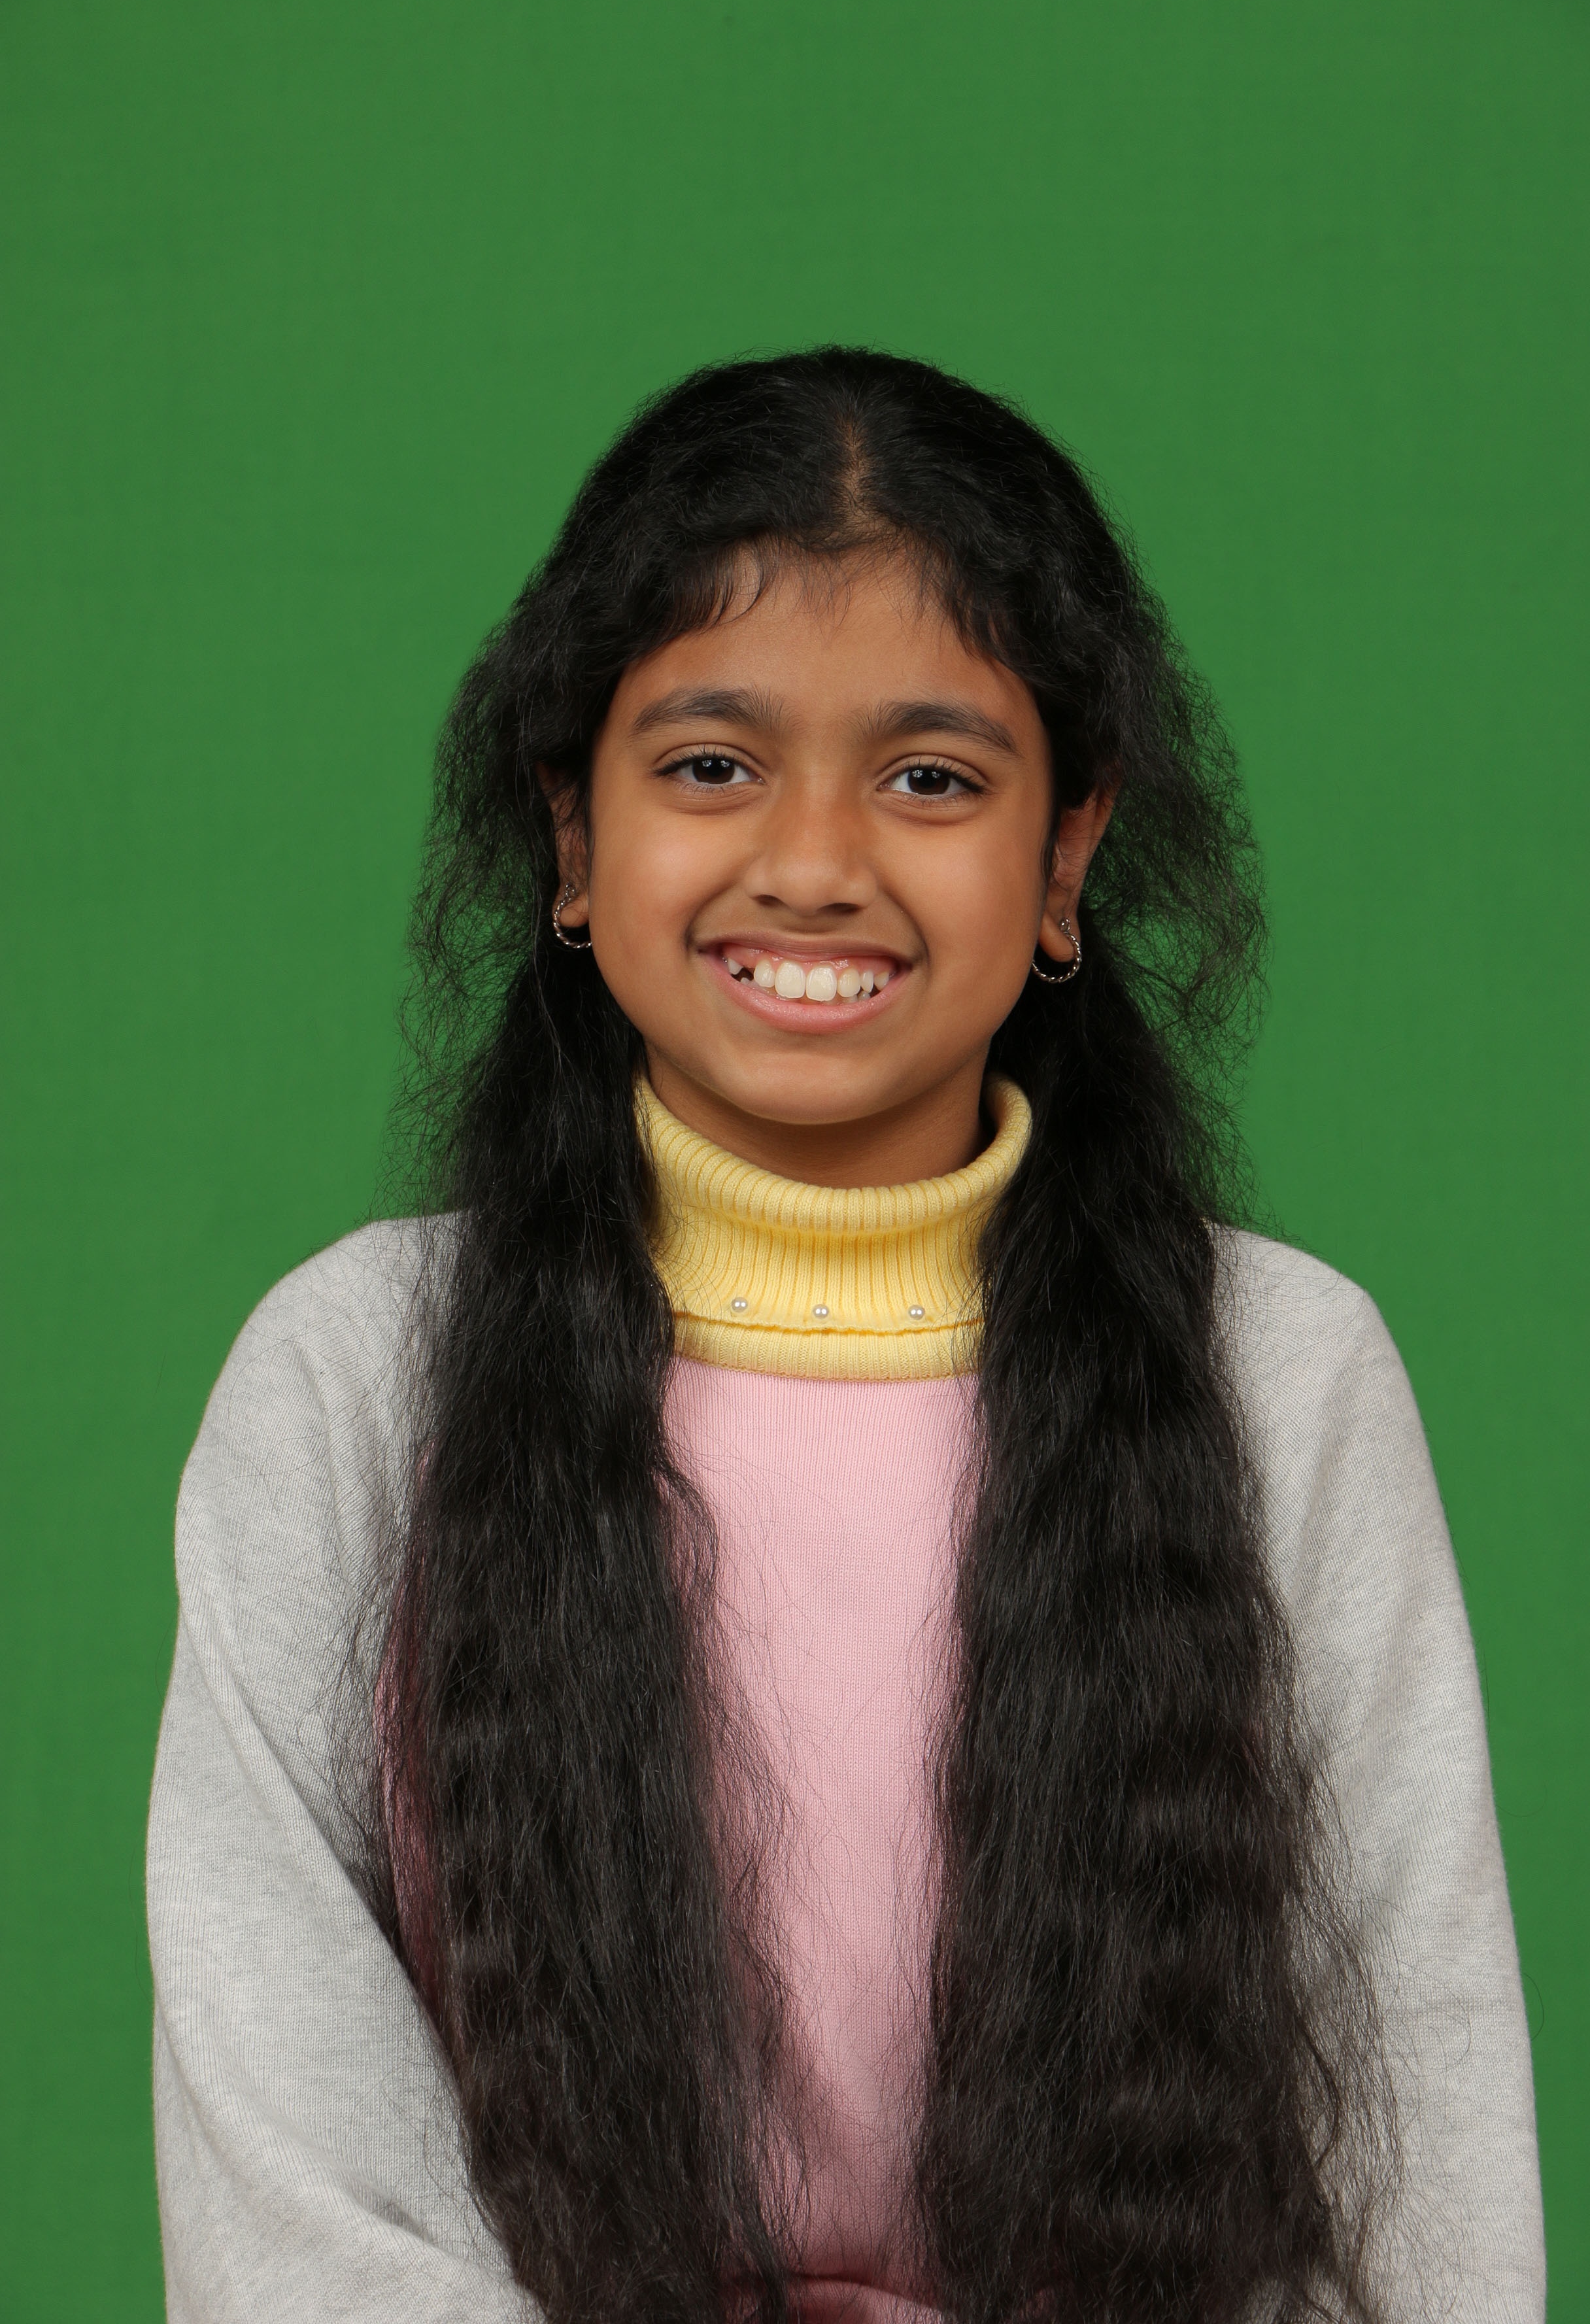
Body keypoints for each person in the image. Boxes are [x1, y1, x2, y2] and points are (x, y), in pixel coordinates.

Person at [146, 348, 1544, 2324]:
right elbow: (291, 2197)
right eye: (711, 765)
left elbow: (1427, 2177)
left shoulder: (1283, 1377)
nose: (812, 864)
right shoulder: (354, 1377)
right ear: (572, 836)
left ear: (1067, 856)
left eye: (932, 779)